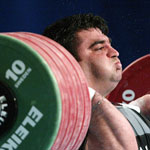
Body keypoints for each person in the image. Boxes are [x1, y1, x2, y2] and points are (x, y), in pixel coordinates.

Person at [43, 13, 150, 150]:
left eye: (110, 45)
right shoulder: (71, 131)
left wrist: (137, 107)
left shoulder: (133, 110)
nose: (115, 52)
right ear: (67, 61)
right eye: (100, 48)